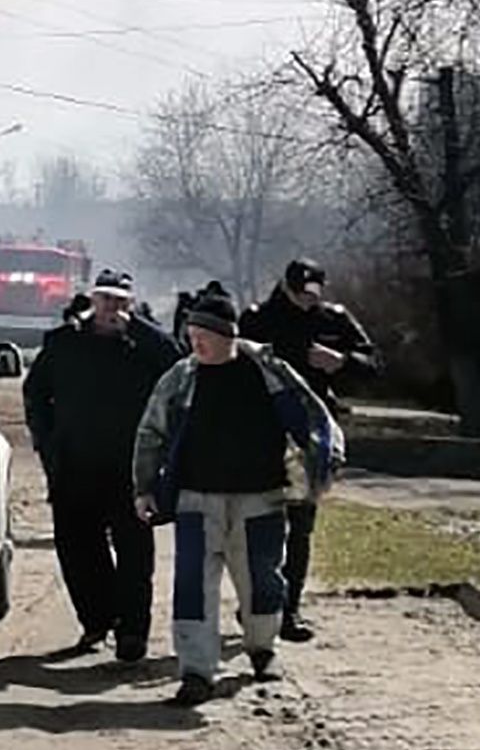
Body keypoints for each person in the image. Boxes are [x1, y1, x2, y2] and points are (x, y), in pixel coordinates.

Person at [133, 285, 344, 707]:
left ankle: (262, 650)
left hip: (259, 497)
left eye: (203, 336)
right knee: (193, 586)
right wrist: (143, 487)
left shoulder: (270, 373)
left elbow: (313, 418)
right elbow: (150, 432)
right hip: (196, 498)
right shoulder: (181, 378)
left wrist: (321, 468)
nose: (195, 344)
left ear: (226, 335)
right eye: (191, 336)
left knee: (262, 582)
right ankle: (196, 671)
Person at [24, 268, 181, 664]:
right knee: (78, 551)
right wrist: (46, 443)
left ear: (130, 303)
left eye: (120, 301)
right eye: (105, 299)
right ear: (92, 300)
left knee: (134, 554)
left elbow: (179, 368)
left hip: (131, 469)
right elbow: (36, 393)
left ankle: (132, 633)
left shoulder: (145, 344)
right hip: (75, 465)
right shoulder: (65, 343)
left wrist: (138, 329)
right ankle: (96, 620)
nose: (112, 308)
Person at [240, 258, 377, 643]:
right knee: (261, 525)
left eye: (312, 294)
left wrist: (343, 361)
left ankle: (288, 609)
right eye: (299, 293)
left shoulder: (333, 319)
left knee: (300, 528)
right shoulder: (257, 320)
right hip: (262, 433)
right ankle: (257, 599)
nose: (306, 301)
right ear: (285, 286)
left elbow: (374, 363)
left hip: (309, 438)